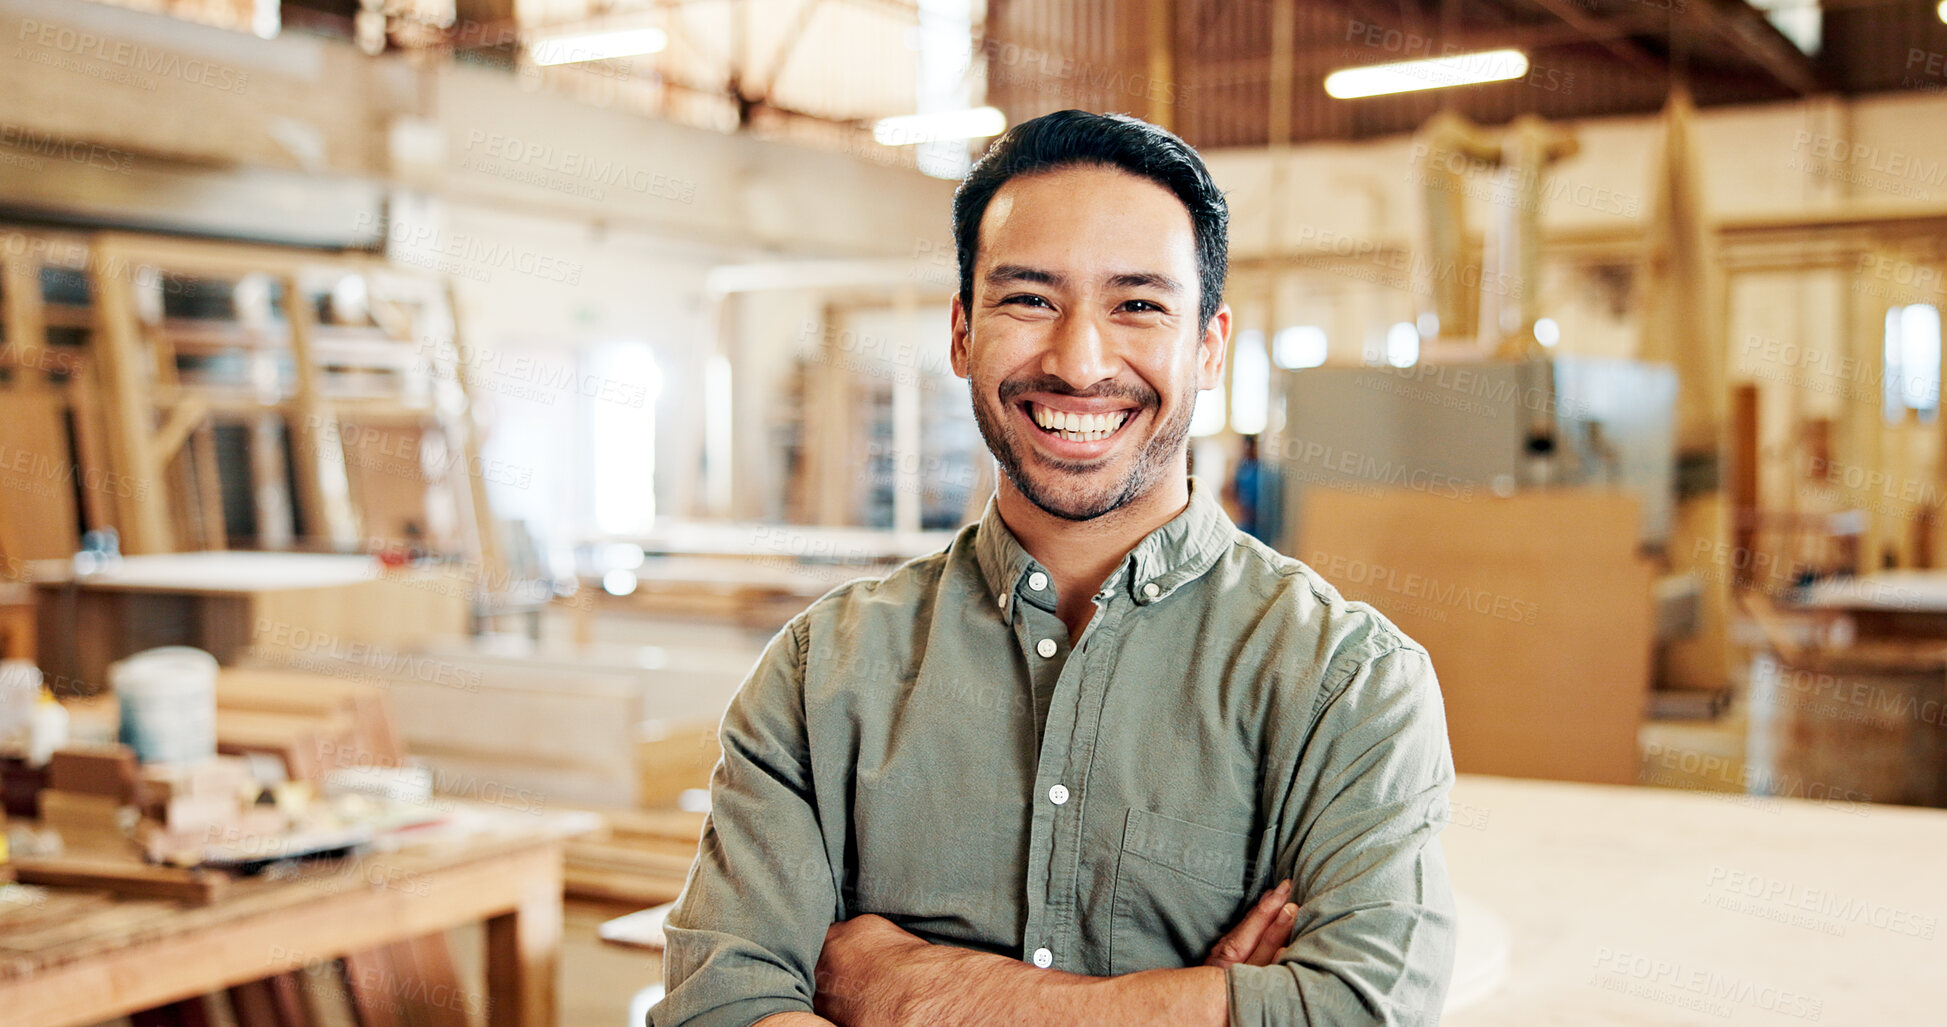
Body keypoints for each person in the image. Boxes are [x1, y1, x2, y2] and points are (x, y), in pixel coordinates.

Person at [652, 110, 1457, 1027]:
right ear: (961, 332)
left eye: (1138, 305)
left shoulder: (1345, 684)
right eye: (1029, 299)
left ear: (1209, 346)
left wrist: (928, 993)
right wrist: (1213, 1006)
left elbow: (1359, 1010)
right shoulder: (819, 675)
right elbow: (716, 1003)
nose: (1079, 361)